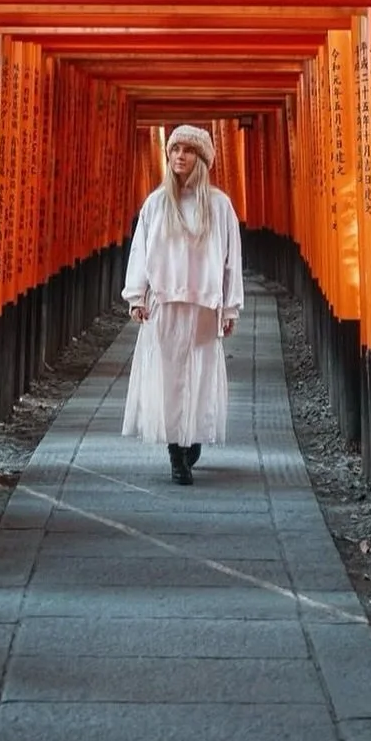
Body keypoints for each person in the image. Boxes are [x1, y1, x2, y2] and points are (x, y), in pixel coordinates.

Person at [121, 123, 244, 484]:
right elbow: (140, 252)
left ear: (202, 159)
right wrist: (136, 296)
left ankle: (192, 440)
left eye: (188, 151)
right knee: (169, 378)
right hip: (165, 305)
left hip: (204, 308)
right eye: (175, 150)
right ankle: (177, 451)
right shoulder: (156, 204)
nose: (180, 157)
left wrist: (231, 307)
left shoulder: (220, 206)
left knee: (200, 377)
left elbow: (231, 259)